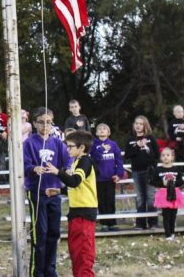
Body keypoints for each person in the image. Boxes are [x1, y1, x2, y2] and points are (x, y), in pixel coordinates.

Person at [23, 107, 71, 277]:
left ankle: (50, 269)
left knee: (54, 233)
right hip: (38, 193)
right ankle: (37, 272)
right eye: (41, 122)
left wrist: (68, 170)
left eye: (49, 122)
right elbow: (24, 165)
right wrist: (33, 168)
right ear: (34, 123)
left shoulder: (58, 143)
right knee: (40, 234)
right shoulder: (29, 143)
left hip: (54, 193)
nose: (45, 126)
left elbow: (68, 161)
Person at [45, 130, 97, 277]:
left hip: (84, 214)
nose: (67, 149)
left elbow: (75, 181)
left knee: (83, 255)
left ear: (82, 148)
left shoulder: (85, 161)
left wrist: (58, 172)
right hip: (76, 213)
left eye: (70, 146)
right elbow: (78, 187)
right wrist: (59, 191)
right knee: (75, 253)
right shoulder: (76, 162)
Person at [124, 115, 160, 230]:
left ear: (145, 125)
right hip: (136, 172)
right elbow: (128, 155)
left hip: (149, 171)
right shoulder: (130, 140)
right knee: (140, 198)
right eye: (136, 123)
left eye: (141, 124)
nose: (138, 126)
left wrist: (153, 166)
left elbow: (157, 154)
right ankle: (140, 223)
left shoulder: (150, 138)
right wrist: (137, 146)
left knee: (150, 197)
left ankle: (153, 223)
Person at [90, 123, 124, 231]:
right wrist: (101, 149)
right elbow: (93, 159)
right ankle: (104, 223)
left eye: (104, 129)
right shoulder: (93, 145)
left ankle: (112, 223)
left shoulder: (113, 144)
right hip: (98, 178)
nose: (101, 130)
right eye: (99, 129)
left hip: (110, 178)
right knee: (101, 201)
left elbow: (119, 160)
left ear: (108, 133)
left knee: (110, 200)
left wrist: (119, 174)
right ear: (96, 132)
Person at [150, 147, 184, 240]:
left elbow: (181, 182)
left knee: (173, 215)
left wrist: (173, 183)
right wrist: (162, 183)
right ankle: (168, 234)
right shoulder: (158, 170)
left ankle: (172, 232)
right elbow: (153, 182)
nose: (165, 157)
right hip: (163, 194)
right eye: (163, 155)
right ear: (160, 158)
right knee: (166, 215)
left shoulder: (176, 169)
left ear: (172, 157)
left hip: (174, 193)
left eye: (168, 155)